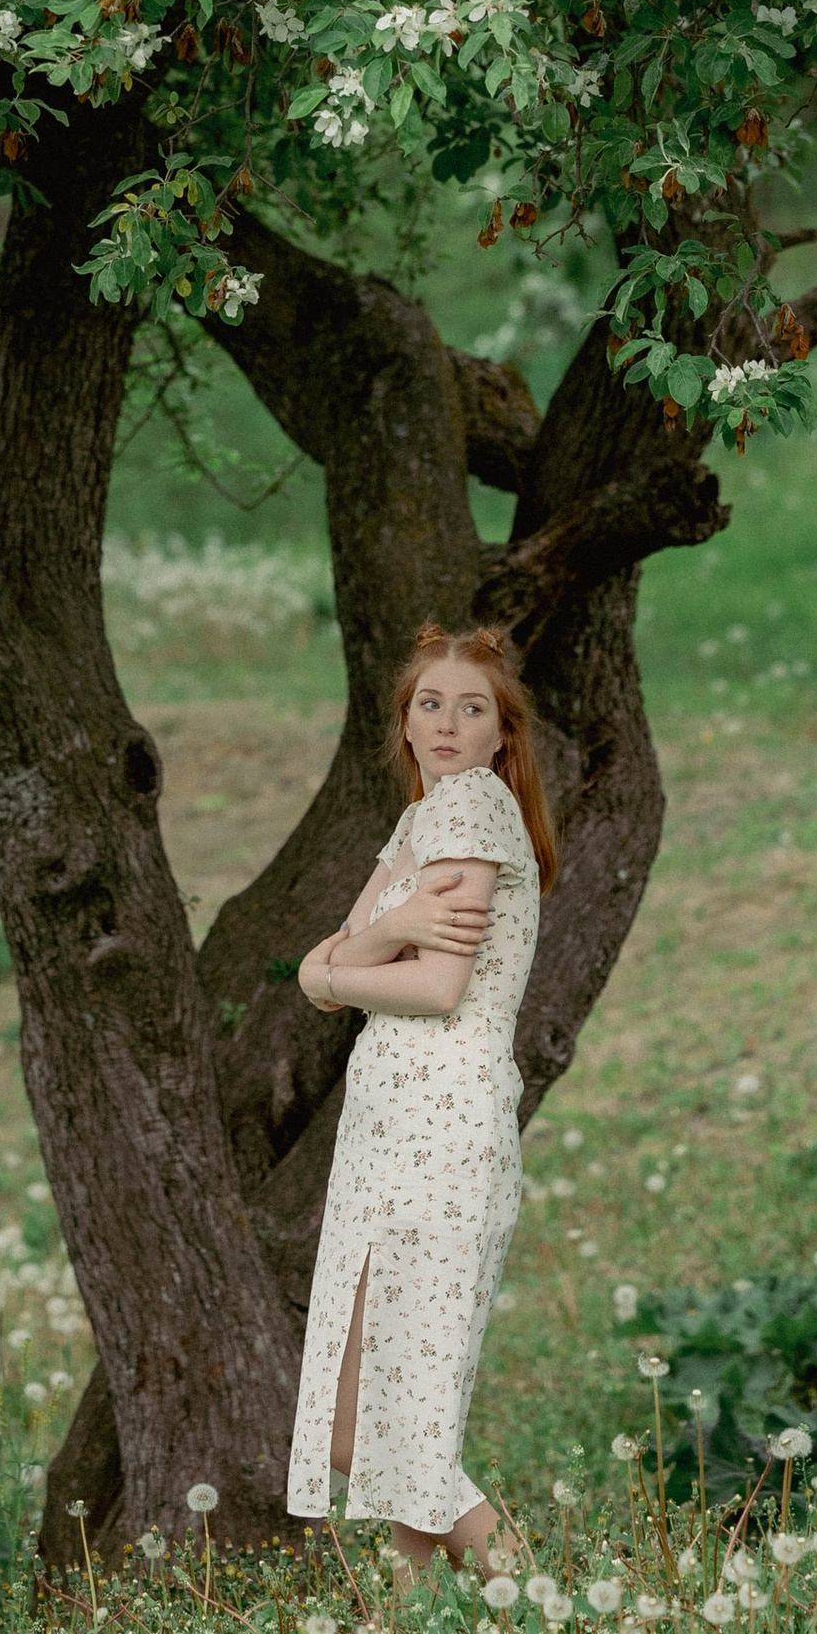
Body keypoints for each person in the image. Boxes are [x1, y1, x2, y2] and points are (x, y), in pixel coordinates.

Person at [286, 620, 557, 1578]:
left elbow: (430, 988)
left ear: (500, 735)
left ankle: (528, 1602)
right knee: (386, 1420)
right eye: (428, 705)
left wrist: (341, 963)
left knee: (378, 1429)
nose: (446, 723)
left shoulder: (472, 811)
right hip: (392, 1125)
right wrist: (386, 930)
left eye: (470, 708)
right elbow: (338, 961)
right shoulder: (421, 821)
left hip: (439, 1122)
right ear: (404, 725)